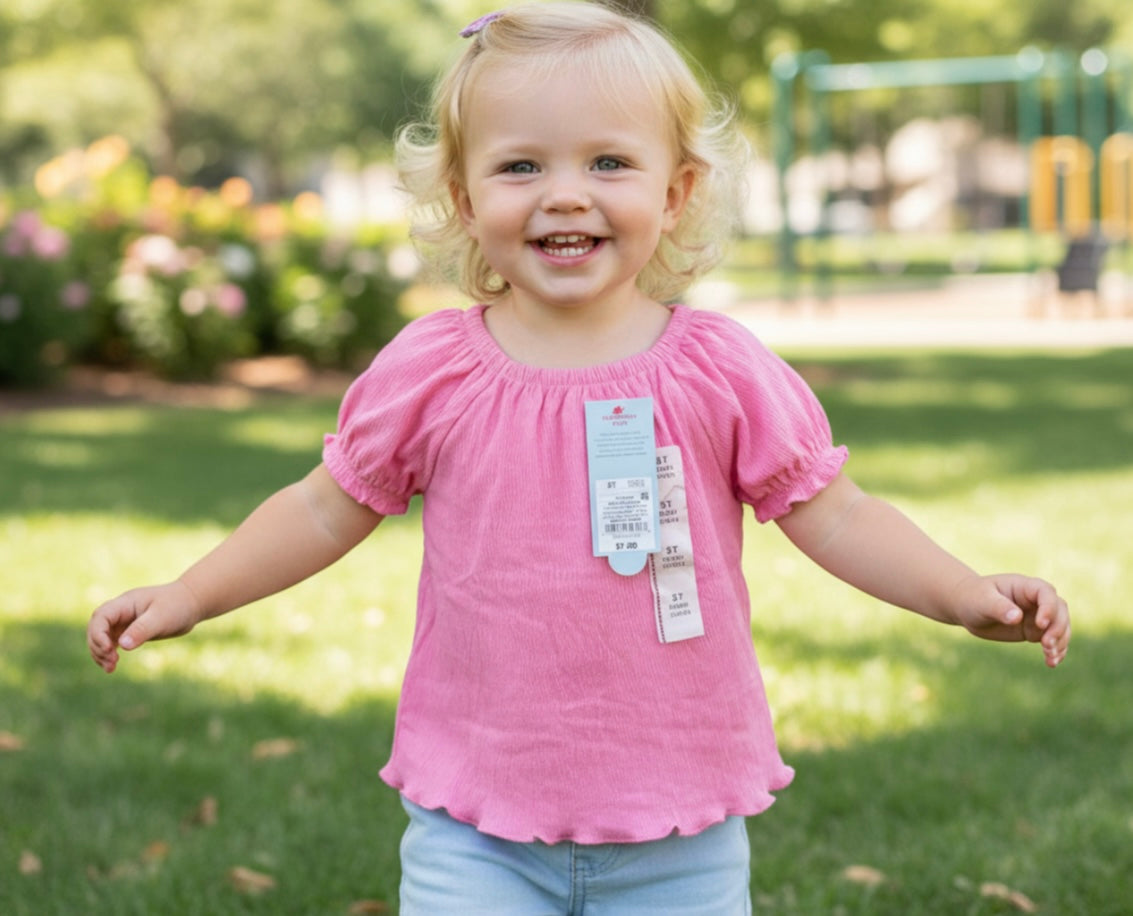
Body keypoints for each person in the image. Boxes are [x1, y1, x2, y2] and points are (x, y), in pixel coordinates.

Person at [88, 3, 1071, 912]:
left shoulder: (717, 369)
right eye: (520, 168)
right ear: (464, 198)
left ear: (677, 191)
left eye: (608, 163)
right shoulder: (433, 369)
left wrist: (958, 591)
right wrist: (190, 593)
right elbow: (321, 505)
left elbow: (836, 511)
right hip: (474, 824)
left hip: (677, 822)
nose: (565, 195)